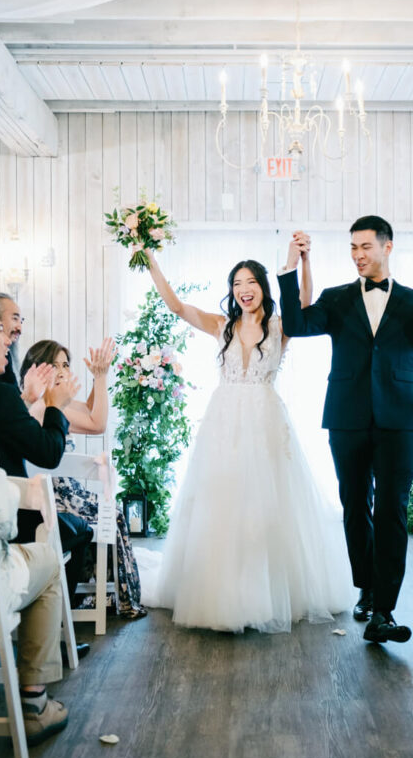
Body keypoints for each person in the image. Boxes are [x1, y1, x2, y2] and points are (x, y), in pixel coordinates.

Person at [139, 237, 353, 633]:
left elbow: (304, 303)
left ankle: (266, 593)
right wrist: (150, 259)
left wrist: (304, 261)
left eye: (251, 281)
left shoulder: (280, 326)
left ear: (263, 286)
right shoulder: (221, 325)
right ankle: (223, 592)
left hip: (266, 421)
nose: (244, 289)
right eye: (237, 282)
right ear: (232, 289)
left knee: (265, 510)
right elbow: (176, 305)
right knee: (222, 506)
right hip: (224, 423)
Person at [278, 215, 413, 644]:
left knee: (391, 509)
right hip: (346, 419)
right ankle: (366, 586)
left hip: (398, 421)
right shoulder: (337, 298)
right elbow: (295, 325)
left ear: (387, 247)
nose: (358, 255)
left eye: (365, 246)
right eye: (352, 247)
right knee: (354, 506)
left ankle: (384, 608)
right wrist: (289, 270)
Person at [19, 338, 146, 620]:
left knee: (109, 510)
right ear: (38, 369)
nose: (63, 370)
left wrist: (96, 379)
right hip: (58, 500)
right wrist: (101, 377)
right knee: (112, 512)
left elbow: (89, 409)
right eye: (56, 365)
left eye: (66, 364)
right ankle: (112, 597)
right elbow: (97, 423)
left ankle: (101, 592)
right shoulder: (43, 407)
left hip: (63, 495)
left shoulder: (52, 403)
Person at [0, 314, 68, 745]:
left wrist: (28, 399)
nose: (8, 337)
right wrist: (49, 404)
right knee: (50, 559)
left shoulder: (6, 397)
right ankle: (35, 702)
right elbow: (0, 512)